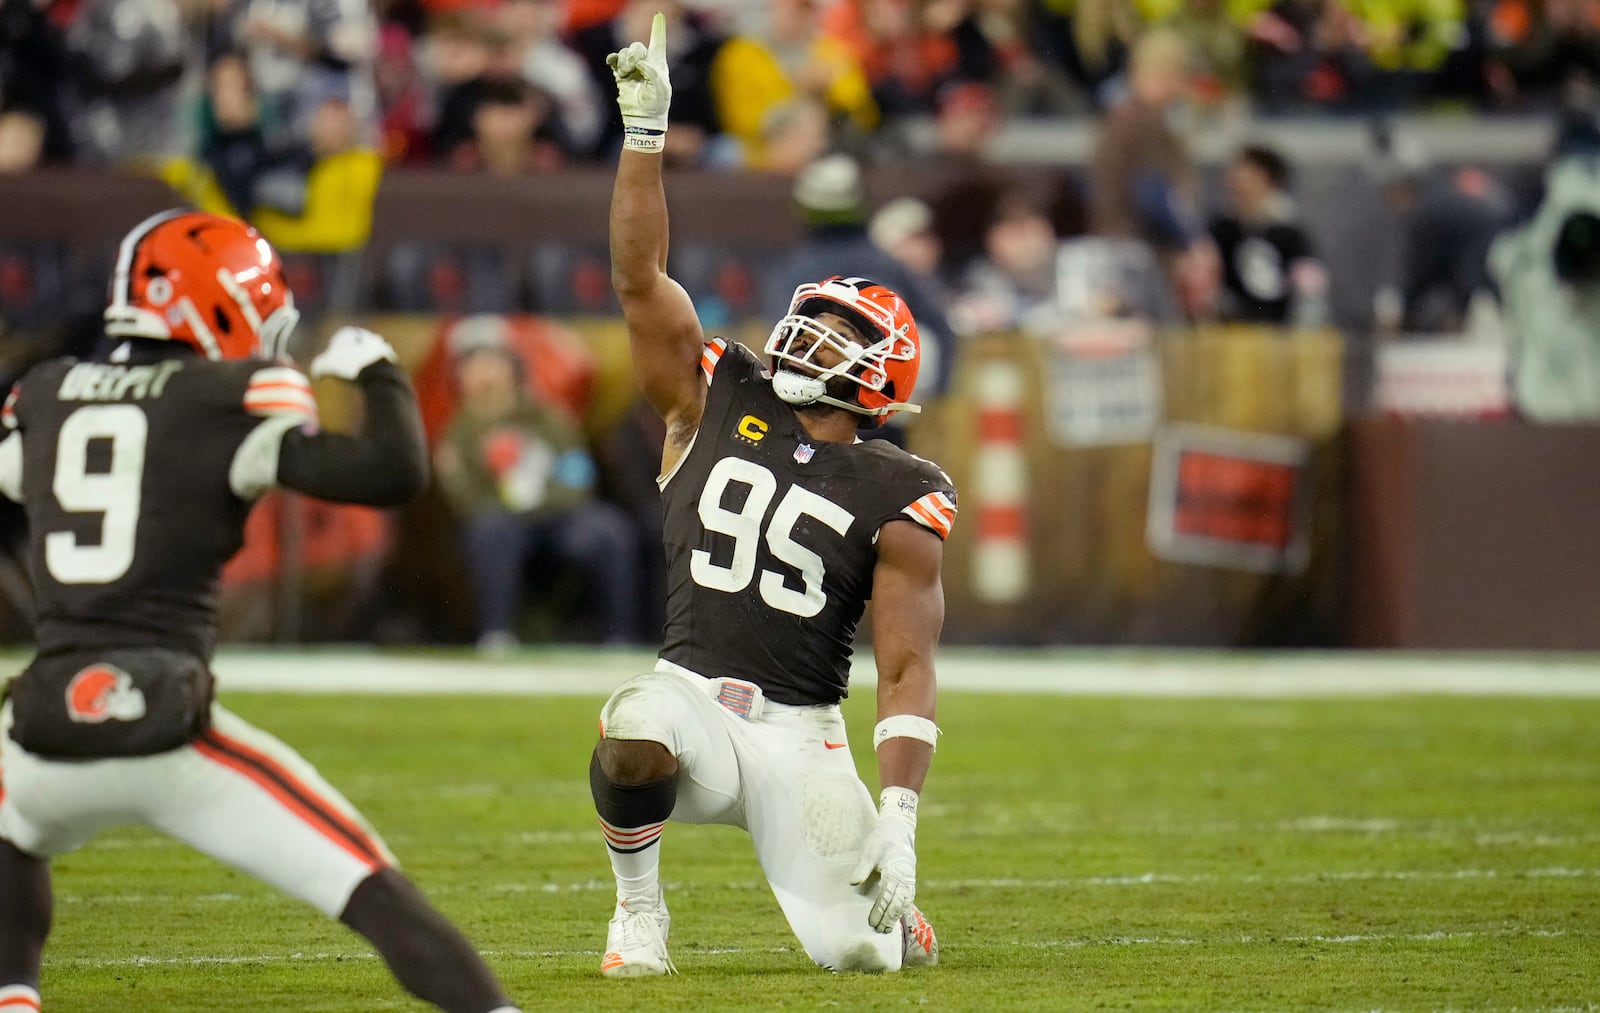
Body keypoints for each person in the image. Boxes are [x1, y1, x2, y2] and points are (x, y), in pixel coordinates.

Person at [0, 210, 520, 1013]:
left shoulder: (43, 394)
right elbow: (388, 470)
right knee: (372, 886)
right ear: (212, 303)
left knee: (17, 835)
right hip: (166, 725)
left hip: (39, 728)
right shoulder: (228, 395)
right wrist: (379, 373)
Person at [588, 14, 954, 977]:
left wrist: (904, 824)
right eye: (814, 322)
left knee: (863, 957)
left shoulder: (901, 488)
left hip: (803, 733)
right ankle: (638, 914)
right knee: (632, 726)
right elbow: (640, 279)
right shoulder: (718, 396)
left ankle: (891, 918)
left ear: (880, 379)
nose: (811, 338)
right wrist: (645, 139)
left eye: (840, 337)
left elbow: (907, 666)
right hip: (692, 703)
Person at [432, 319, 644, 649]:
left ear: (512, 368)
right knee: (491, 533)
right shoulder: (457, 435)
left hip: (561, 521)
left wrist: (537, 500)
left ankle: (618, 636)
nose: (485, 373)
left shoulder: (550, 418)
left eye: (493, 362)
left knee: (609, 531)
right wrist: (514, 503)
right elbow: (465, 500)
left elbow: (579, 477)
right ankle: (496, 634)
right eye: (474, 365)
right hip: (503, 526)